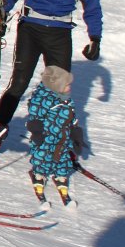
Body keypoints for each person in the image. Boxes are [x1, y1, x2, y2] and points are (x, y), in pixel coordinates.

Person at [0, 0, 103, 153]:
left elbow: (93, 8)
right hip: (31, 29)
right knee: (20, 82)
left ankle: (55, 135)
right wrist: (1, 16)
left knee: (58, 87)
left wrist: (95, 38)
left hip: (60, 33)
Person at [25, 66, 85, 206]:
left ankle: (61, 176)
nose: (69, 87)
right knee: (43, 158)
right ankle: (39, 175)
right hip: (46, 138)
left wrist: (76, 133)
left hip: (63, 138)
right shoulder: (42, 100)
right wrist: (37, 132)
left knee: (63, 158)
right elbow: (35, 116)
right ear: (56, 86)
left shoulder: (67, 100)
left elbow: (72, 117)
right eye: (66, 85)